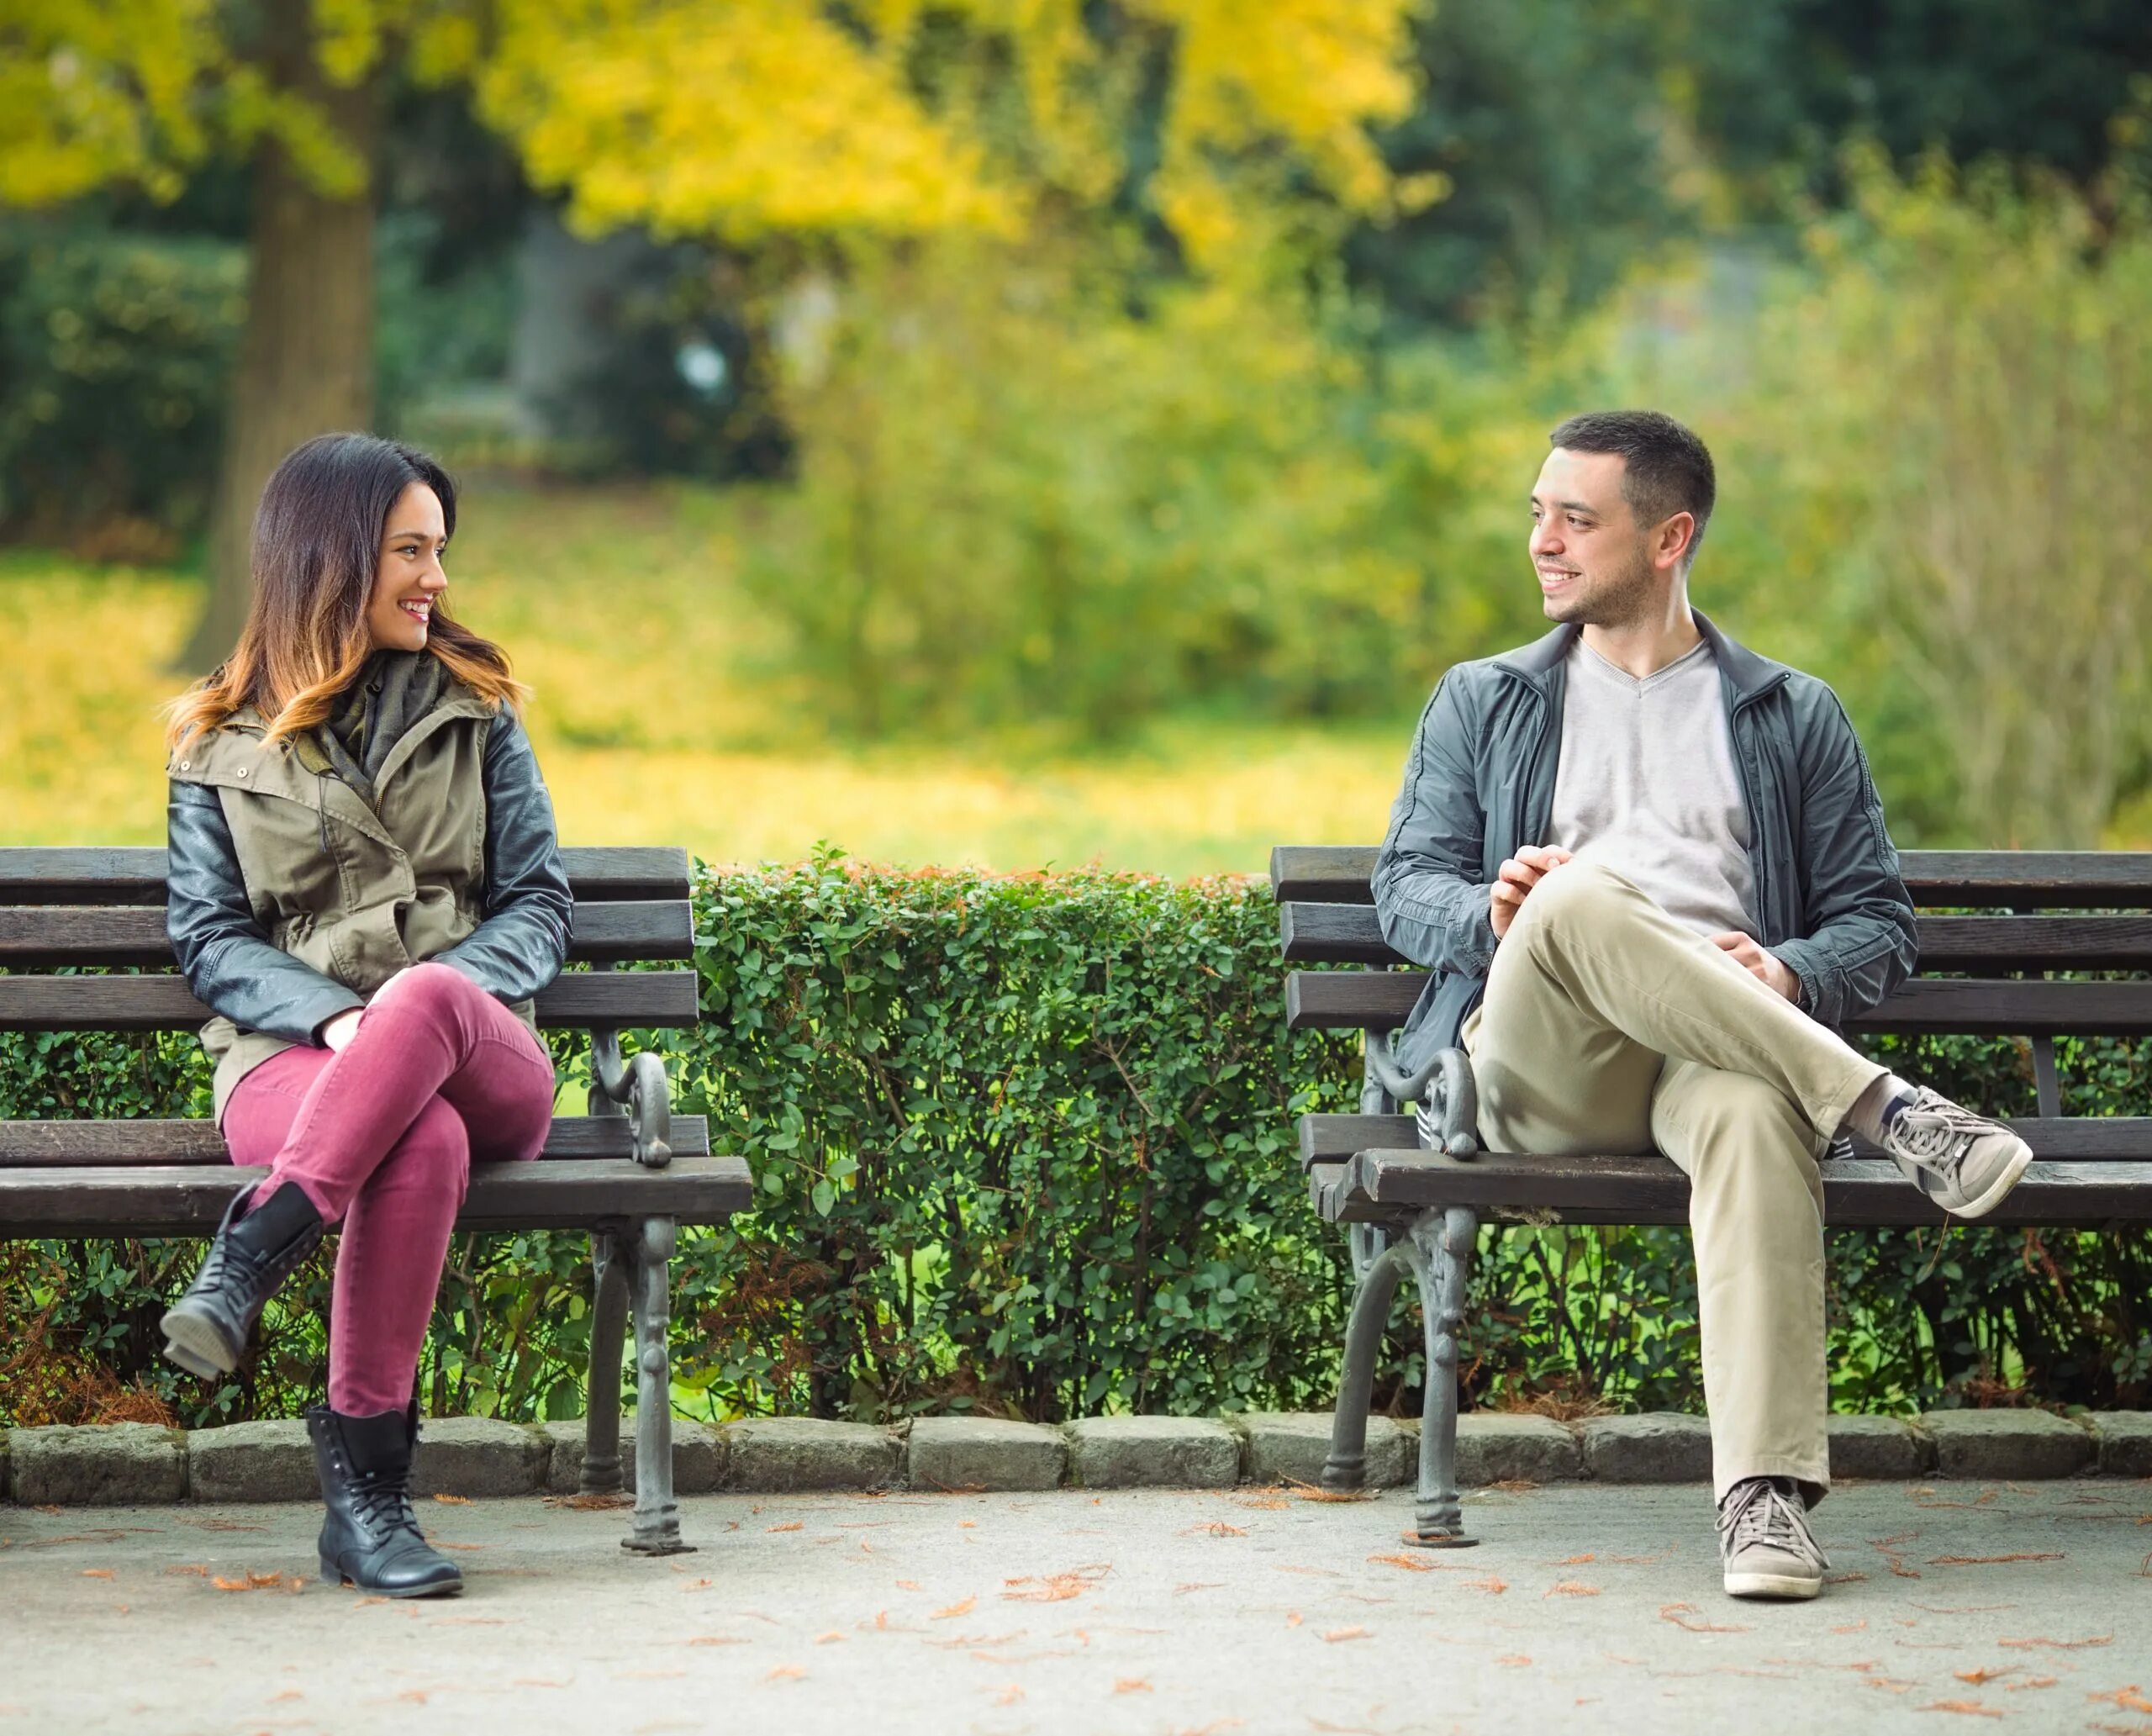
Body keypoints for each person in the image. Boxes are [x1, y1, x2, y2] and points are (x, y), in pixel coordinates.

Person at [1373, 409, 2032, 1603]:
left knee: (1751, 1107)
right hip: (1545, 1063)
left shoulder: (1789, 715)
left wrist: (1786, 971)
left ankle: (1764, 1502)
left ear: (1669, 536)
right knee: (1572, 892)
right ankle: (1888, 1107)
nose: (1543, 542)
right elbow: (1402, 885)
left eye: (1577, 519)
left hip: (1708, 1051)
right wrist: (1496, 910)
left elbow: (1876, 924)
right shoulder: (1486, 700)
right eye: (1538, 513)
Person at [160, 433, 572, 1598]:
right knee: (417, 1136)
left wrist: (416, 1003)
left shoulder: (479, 707)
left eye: (441, 549)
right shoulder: (216, 741)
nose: (437, 577)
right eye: (410, 550)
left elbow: (539, 900)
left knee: (430, 995)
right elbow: (210, 939)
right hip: (295, 1062)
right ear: (330, 560)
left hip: (482, 1048)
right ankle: (370, 1504)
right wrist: (340, 1022)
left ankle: (254, 1247)